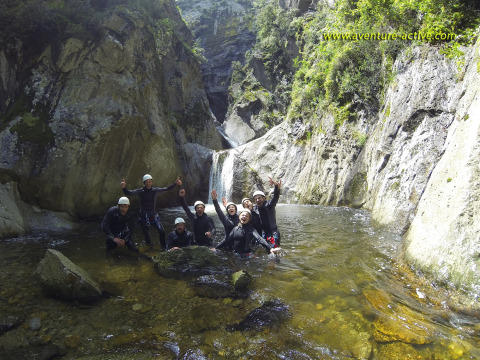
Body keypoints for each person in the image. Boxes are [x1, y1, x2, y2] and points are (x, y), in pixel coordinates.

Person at [121, 175, 182, 249]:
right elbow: (129, 193)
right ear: (144, 183)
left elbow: (166, 189)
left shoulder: (154, 190)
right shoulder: (140, 191)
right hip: (143, 215)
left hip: (152, 215)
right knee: (146, 233)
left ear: (151, 182)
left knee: (161, 230)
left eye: (149, 182)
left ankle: (163, 247)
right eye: (146, 182)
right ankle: (149, 247)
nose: (148, 183)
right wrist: (124, 188)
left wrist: (175, 184)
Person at [215, 209, 280, 258]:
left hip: (247, 255)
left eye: (246, 216)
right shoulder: (235, 229)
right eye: (243, 215)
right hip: (235, 254)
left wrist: (270, 248)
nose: (244, 217)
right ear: (239, 216)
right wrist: (216, 248)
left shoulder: (251, 229)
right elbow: (227, 240)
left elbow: (260, 239)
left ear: (249, 219)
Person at [252, 177, 282, 248]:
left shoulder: (269, 205)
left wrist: (276, 187)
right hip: (263, 233)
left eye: (259, 198)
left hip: (272, 232)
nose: (257, 200)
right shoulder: (255, 208)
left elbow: (275, 197)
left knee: (273, 251)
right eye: (256, 199)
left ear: (264, 198)